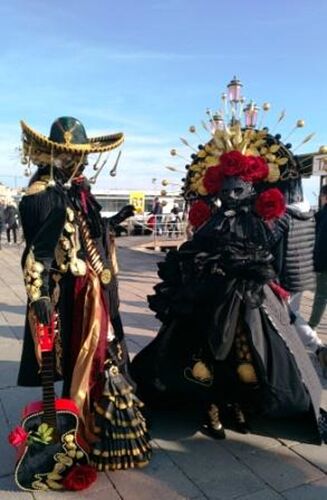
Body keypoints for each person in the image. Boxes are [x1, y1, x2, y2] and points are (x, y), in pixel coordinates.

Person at [131, 111, 326, 443]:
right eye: (227, 188)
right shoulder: (214, 222)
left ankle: (237, 401)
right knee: (205, 350)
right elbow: (196, 251)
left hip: (249, 297)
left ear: (252, 187)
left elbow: (267, 252)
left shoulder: (260, 221)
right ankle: (210, 404)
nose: (232, 194)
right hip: (209, 296)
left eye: (239, 188)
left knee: (250, 351)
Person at [15, 117, 151, 489]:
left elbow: (86, 231)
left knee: (99, 357)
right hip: (75, 295)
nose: (85, 163)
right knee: (83, 359)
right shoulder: (43, 196)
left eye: (85, 156)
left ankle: (91, 425)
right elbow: (36, 255)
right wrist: (38, 294)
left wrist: (116, 220)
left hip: (93, 289)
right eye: (77, 157)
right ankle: (79, 428)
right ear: (57, 157)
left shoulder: (71, 191)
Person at [273, 178, 327, 365]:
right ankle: (307, 347)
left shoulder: (283, 217)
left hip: (285, 276)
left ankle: (314, 347)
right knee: (291, 314)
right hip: (302, 273)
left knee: (288, 316)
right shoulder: (309, 214)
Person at [308, 184, 327, 369]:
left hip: (324, 262)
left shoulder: (324, 214)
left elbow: (321, 242)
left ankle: (311, 326)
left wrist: (317, 263)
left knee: (321, 297)